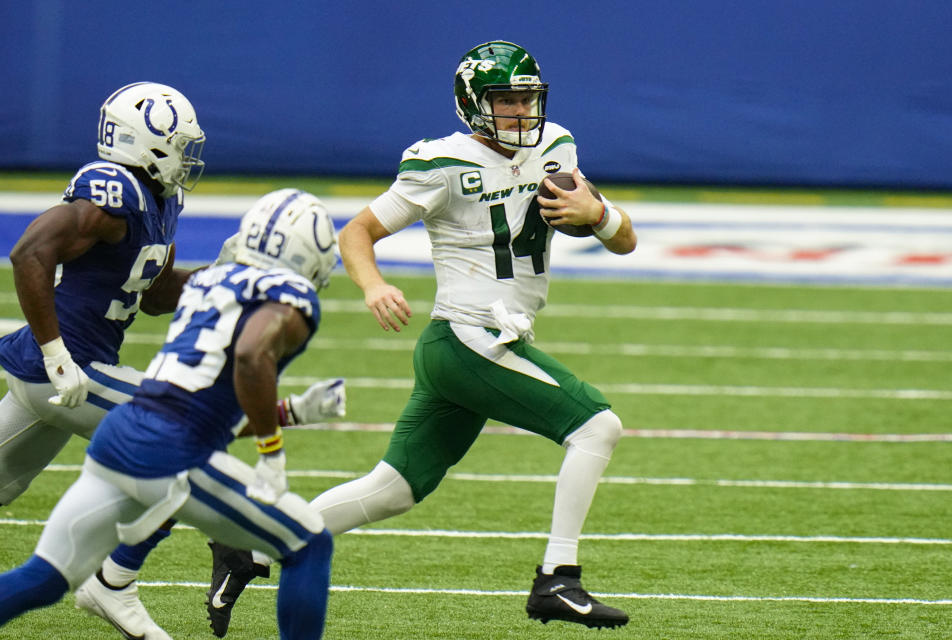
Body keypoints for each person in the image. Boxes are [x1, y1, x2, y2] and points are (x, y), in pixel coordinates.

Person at [209, 40, 637, 633]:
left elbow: (625, 241)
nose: (520, 112)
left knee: (392, 490)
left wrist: (598, 217)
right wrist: (373, 287)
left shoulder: (555, 146)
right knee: (597, 425)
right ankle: (558, 579)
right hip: (467, 338)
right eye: (506, 100)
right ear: (472, 104)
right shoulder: (441, 163)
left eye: (526, 98)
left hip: (482, 344)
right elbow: (356, 232)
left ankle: (249, 545)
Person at [0, 83, 345, 640]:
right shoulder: (110, 190)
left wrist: (220, 284)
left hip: (63, 375)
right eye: (181, 145)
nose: (189, 158)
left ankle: (114, 582)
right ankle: (134, 573)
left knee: (40, 562)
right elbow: (29, 252)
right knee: (175, 424)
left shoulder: (158, 201)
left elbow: (155, 294)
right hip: (66, 369)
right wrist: (56, 352)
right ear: (146, 142)